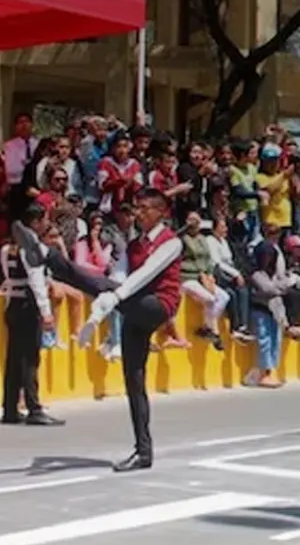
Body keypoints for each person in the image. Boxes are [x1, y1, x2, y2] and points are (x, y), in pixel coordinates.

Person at [13, 188, 181, 471]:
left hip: (159, 305)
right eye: (137, 208)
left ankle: (48, 256)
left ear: (161, 212)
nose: (138, 213)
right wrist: (99, 308)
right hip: (133, 306)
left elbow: (145, 274)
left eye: (144, 208)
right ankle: (143, 451)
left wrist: (113, 298)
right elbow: (118, 278)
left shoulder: (171, 242)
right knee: (134, 381)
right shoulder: (134, 244)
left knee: (107, 289)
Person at [1, 205, 65, 426]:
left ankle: (10, 408)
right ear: (35, 222)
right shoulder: (31, 248)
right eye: (44, 220)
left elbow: (8, 279)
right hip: (28, 307)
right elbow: (37, 282)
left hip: (13, 305)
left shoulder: (7, 249)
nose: (47, 224)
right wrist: (46, 312)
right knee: (30, 359)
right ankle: (34, 407)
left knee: (13, 359)